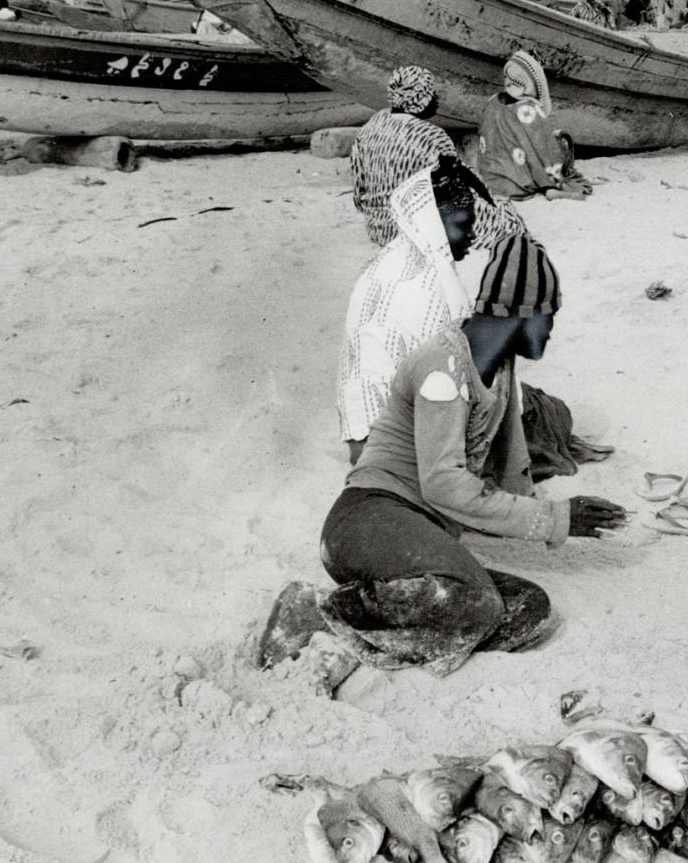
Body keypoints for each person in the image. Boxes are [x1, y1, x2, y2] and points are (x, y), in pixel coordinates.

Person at [268, 235, 629, 679]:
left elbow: (509, 463)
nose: (550, 329)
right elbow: (444, 484)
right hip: (368, 520)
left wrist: (551, 516)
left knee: (528, 608)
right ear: (519, 314)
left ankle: (380, 630)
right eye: (547, 316)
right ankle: (315, 610)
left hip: (415, 530)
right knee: (476, 603)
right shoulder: (442, 367)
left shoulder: (498, 366)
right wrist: (556, 518)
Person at [338, 157, 487, 463]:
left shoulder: (402, 255)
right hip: (392, 443)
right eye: (463, 226)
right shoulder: (422, 286)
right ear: (434, 225)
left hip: (372, 430)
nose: (472, 236)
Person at [352, 65, 524, 249]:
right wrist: (492, 203)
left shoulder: (372, 125)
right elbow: (459, 188)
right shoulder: (431, 136)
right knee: (507, 222)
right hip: (412, 231)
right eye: (431, 93)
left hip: (379, 228)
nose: (436, 99)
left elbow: (358, 194)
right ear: (420, 98)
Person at [471, 51, 589, 202]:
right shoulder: (528, 108)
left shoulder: (492, 101)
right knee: (558, 139)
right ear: (530, 81)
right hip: (516, 184)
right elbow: (542, 146)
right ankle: (549, 188)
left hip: (489, 181)